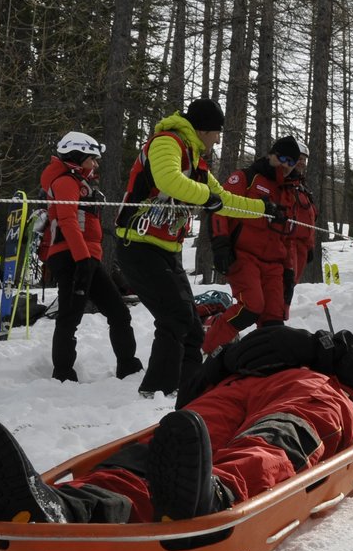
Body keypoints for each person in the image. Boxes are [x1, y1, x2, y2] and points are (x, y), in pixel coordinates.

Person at [0, 325, 353, 525]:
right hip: (231, 387)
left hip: (316, 387)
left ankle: (216, 492)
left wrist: (340, 350)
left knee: (280, 435)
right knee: (176, 438)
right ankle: (76, 505)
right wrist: (225, 360)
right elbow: (188, 399)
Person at [114, 98, 282, 399]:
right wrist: (206, 198)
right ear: (204, 130)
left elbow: (225, 200)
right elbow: (170, 180)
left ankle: (189, 390)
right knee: (175, 317)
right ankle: (156, 391)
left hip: (164, 248)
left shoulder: (197, 161)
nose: (218, 140)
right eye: (216, 133)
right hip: (137, 244)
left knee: (191, 325)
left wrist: (263, 208)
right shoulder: (167, 142)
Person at [40, 131, 141, 383]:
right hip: (73, 257)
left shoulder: (77, 182)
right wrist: (82, 259)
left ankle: (129, 368)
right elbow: (67, 220)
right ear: (76, 157)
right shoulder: (64, 182)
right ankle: (62, 374)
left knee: (118, 312)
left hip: (86, 257)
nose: (95, 164)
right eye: (91, 159)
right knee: (69, 316)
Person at [203, 135, 306, 354]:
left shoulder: (290, 192)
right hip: (244, 256)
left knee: (274, 318)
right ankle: (205, 348)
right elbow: (218, 209)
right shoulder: (247, 177)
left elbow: (287, 238)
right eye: (282, 158)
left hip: (275, 264)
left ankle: (265, 363)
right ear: (271, 155)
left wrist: (289, 270)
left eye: (292, 161)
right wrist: (220, 244)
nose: (286, 165)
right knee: (251, 307)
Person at [282, 159, 317, 310]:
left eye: (305, 159)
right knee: (284, 285)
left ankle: (281, 316)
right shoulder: (285, 185)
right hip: (287, 244)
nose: (302, 163)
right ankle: (275, 321)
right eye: (299, 158)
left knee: (291, 285)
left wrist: (310, 246)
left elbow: (310, 219)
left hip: (302, 246)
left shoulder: (302, 189)